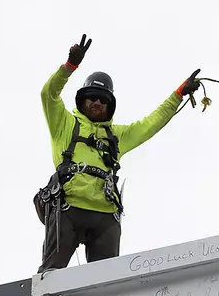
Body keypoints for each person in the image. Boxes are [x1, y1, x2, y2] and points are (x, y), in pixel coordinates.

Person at [35, 33, 201, 272]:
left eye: (103, 100)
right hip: (68, 208)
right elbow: (48, 94)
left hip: (105, 214)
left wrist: (178, 95)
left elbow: (151, 123)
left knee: (107, 281)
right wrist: (70, 66)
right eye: (92, 97)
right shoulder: (64, 124)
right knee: (51, 276)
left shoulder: (116, 136)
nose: (97, 103)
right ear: (82, 100)